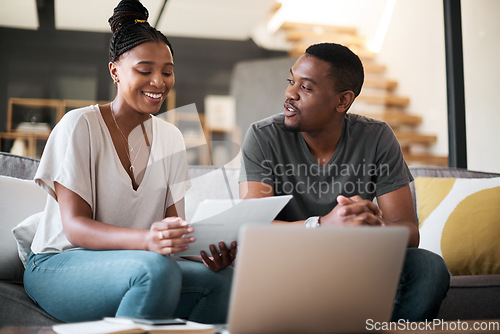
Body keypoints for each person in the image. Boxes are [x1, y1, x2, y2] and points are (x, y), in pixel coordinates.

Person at [23, 0, 236, 324]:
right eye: (144, 70)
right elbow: (76, 228)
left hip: (138, 261)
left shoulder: (171, 137)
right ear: (115, 71)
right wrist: (148, 241)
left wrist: (206, 252)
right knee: (155, 269)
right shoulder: (79, 125)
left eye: (167, 71)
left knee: (222, 282)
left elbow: (172, 232)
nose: (159, 82)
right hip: (60, 262)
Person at [239, 42, 450, 321]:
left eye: (306, 87)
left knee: (429, 267)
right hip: (289, 261)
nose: (290, 94)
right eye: (291, 81)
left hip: (355, 261)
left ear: (343, 101)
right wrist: (324, 225)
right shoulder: (263, 137)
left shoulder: (377, 137)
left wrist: (371, 226)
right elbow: (251, 228)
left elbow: (409, 232)